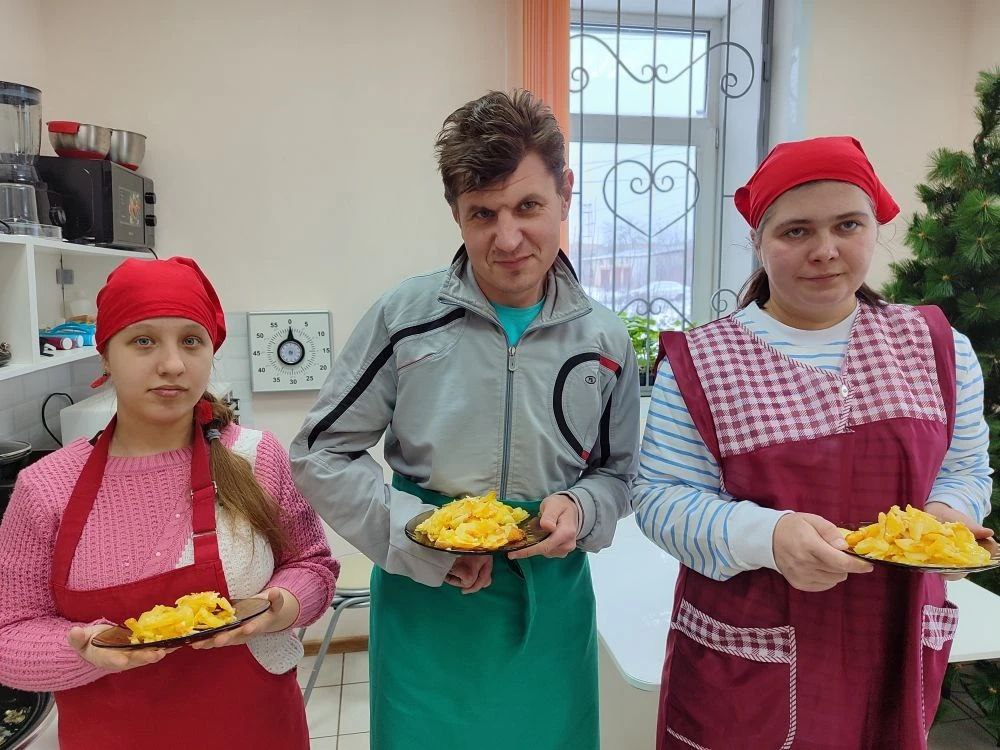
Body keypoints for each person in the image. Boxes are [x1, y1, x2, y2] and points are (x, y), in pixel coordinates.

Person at [290, 89, 640, 750]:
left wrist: (582, 506)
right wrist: (411, 533)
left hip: (550, 609)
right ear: (456, 212)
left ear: (565, 194)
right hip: (429, 608)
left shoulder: (605, 341)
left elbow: (618, 474)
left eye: (528, 207)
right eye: (483, 214)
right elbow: (319, 452)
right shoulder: (406, 319)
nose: (507, 239)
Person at [632, 136, 994, 749]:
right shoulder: (703, 361)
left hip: (894, 641)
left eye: (848, 225)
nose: (825, 251)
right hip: (749, 654)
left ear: (874, 229)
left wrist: (945, 522)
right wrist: (769, 537)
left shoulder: (938, 347)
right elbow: (660, 499)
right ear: (759, 242)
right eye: (796, 231)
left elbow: (965, 470)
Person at [0, 257, 339, 749]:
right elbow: (9, 634)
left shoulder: (255, 457)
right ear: (105, 355)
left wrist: (281, 606)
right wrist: (83, 651)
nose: (173, 365)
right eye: (143, 341)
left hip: (256, 730)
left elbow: (313, 566)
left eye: (191, 341)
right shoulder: (46, 488)